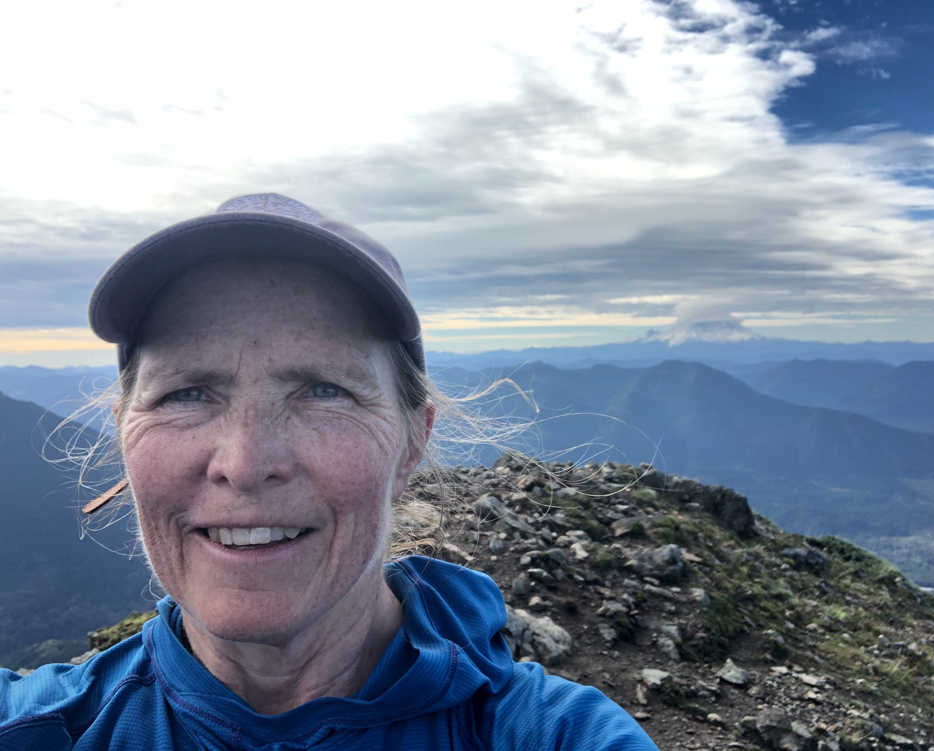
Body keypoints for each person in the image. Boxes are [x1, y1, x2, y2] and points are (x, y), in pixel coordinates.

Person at [0, 194, 658, 750]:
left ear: (410, 444)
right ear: (123, 433)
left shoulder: (554, 735)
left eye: (322, 390)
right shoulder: (38, 727)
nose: (246, 464)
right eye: (185, 392)